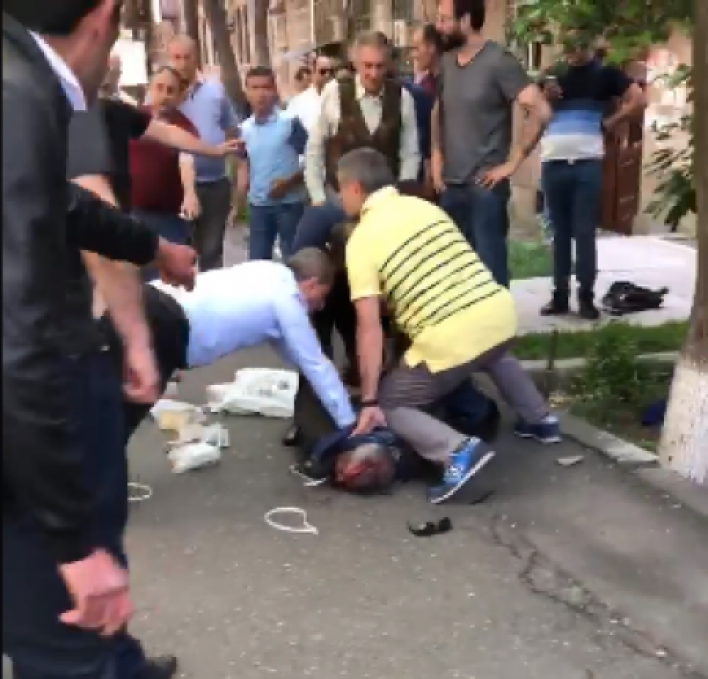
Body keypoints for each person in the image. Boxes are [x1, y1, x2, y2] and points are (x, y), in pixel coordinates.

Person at [3, 2, 192, 678]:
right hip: (37, 396)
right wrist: (73, 539)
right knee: (65, 633)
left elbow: (59, 204)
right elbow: (16, 337)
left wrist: (150, 246)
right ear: (104, 16)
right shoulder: (22, 92)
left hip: (46, 378)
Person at [338, 149, 561, 504]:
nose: (340, 199)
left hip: (449, 336)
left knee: (393, 401)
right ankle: (540, 420)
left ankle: (457, 451)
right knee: (491, 351)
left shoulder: (362, 239)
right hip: (497, 311)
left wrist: (369, 399)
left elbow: (369, 327)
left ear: (354, 188)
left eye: (340, 190)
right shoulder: (425, 208)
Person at [99, 249, 356, 440]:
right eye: (321, 296)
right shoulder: (288, 298)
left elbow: (297, 355)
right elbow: (315, 363)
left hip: (151, 299)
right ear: (311, 283)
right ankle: (95, 485)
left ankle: (88, 475)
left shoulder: (269, 270)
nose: (321, 305)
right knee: (124, 411)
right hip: (168, 322)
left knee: (105, 396)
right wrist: (350, 423)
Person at [432, 0, 552, 287]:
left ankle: (499, 320)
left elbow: (541, 110)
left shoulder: (499, 61)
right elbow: (439, 112)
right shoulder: (447, 63)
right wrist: (436, 159)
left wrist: (512, 163)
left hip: (484, 189)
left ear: (466, 20)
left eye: (445, 19)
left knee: (490, 278)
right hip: (450, 187)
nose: (438, 26)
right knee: (453, 279)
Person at [538, 29, 646, 320]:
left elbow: (638, 100)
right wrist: (544, 98)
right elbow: (531, 113)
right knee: (559, 233)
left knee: (584, 232)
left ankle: (585, 296)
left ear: (591, 42)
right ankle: (559, 296)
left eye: (580, 42)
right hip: (553, 162)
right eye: (570, 42)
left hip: (587, 163)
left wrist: (612, 122)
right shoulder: (553, 74)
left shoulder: (606, 74)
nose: (575, 48)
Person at [169, 34, 243, 271]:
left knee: (212, 253)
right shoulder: (163, 92)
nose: (182, 63)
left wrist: (238, 178)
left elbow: (232, 130)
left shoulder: (215, 91)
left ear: (196, 57)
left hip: (214, 184)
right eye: (176, 57)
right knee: (180, 254)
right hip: (174, 187)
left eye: (187, 57)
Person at [129, 65, 202, 279]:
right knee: (133, 277)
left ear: (180, 96)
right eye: (159, 88)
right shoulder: (132, 117)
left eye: (171, 90)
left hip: (168, 220)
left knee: (168, 278)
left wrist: (190, 193)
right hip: (132, 213)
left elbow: (186, 160)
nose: (164, 95)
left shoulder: (185, 128)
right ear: (150, 89)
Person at [235, 66, 309, 261]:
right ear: (246, 93)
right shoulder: (244, 129)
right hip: (258, 207)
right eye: (254, 88)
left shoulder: (290, 123)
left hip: (290, 206)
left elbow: (313, 160)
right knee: (258, 264)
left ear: (275, 91)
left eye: (266, 87)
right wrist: (237, 204)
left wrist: (289, 182)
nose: (261, 94)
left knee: (293, 262)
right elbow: (243, 166)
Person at [287, 55, 335, 133]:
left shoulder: (333, 95)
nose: (327, 75)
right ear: (313, 72)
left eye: (331, 71)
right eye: (323, 71)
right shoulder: (296, 103)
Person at [411, 23, 444, 97]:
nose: (413, 55)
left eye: (416, 48)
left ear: (431, 47)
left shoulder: (450, 84)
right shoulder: (424, 84)